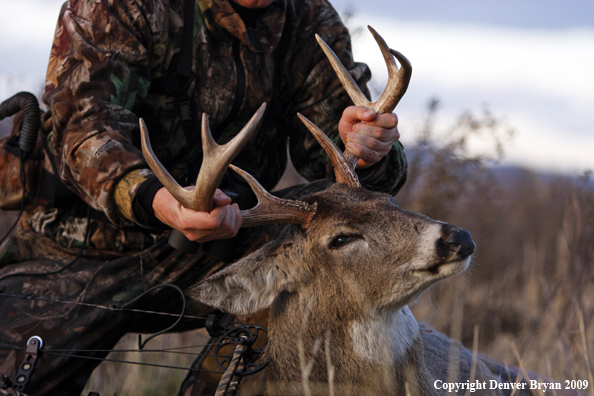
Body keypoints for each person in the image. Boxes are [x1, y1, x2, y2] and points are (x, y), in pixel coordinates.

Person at [0, 0, 407, 394]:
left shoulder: (309, 19)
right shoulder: (123, 4)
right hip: (72, 253)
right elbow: (83, 126)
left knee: (333, 228)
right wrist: (159, 201)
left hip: (216, 247)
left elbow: (338, 161)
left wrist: (366, 147)